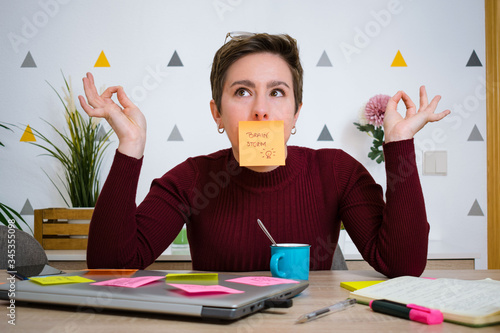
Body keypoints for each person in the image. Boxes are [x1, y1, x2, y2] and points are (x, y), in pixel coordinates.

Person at [78, 33, 450, 278]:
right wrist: (130, 146)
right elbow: (111, 268)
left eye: (276, 92)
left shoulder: (337, 172)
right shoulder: (191, 179)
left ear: (296, 112)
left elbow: (403, 267)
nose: (260, 109)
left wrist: (399, 142)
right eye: (242, 92)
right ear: (217, 113)